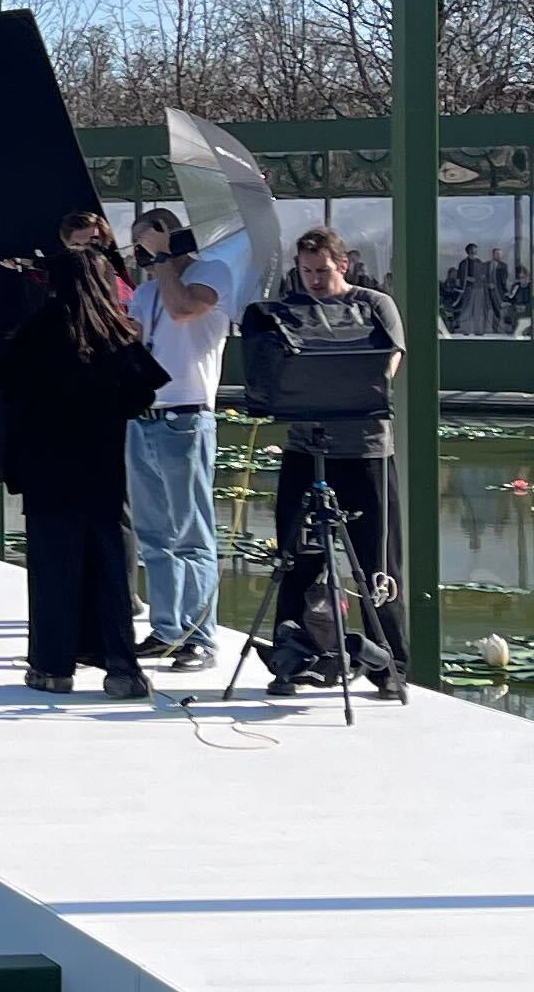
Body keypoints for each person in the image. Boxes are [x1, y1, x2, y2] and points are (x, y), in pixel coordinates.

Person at [0, 209, 164, 701]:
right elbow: (142, 395)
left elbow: (3, 385)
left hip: (47, 469)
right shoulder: (116, 336)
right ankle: (121, 668)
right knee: (109, 570)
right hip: (101, 473)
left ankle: (52, 665)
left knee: (52, 571)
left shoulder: (38, 332)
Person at [259, 221, 408, 698]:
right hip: (308, 448)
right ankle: (294, 657)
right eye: (305, 271)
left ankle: (392, 666)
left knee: (377, 562)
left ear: (342, 265)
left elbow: (388, 363)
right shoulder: (289, 310)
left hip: (365, 450)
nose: (314, 279)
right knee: (296, 557)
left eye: (322, 270)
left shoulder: (374, 304)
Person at [124, 202, 230, 675]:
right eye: (140, 247)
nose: (144, 256)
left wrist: (166, 258)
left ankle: (201, 636)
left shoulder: (214, 273)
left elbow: (185, 309)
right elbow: (131, 338)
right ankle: (166, 629)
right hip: (142, 415)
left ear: (172, 236)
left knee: (192, 533)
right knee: (153, 534)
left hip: (186, 417)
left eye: (149, 242)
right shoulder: (146, 292)